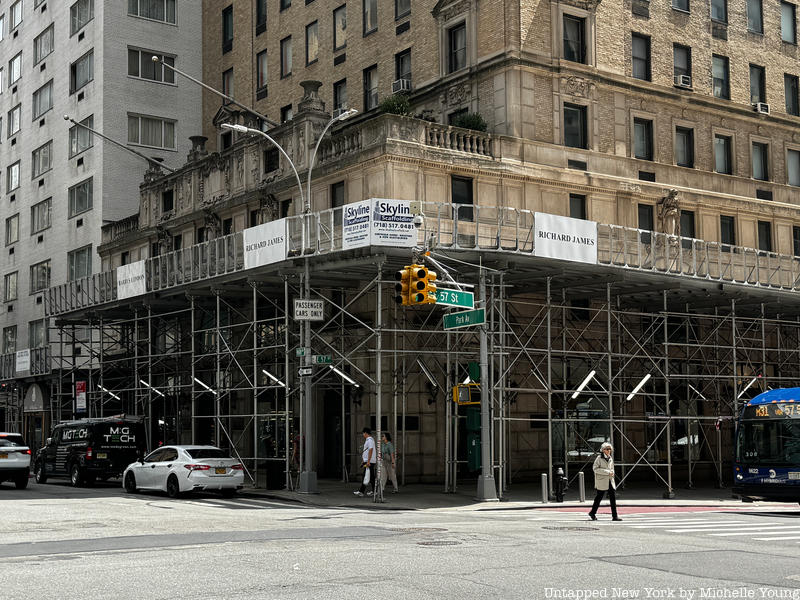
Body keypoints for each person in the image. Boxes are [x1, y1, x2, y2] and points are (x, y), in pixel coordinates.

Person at [588, 442, 622, 521]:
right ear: (603, 450)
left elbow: (612, 468)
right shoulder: (599, 458)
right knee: (599, 498)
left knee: (613, 498)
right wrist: (607, 472)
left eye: (610, 449)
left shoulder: (610, 458)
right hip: (602, 481)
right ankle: (592, 512)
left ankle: (615, 516)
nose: (609, 450)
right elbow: (595, 469)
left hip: (610, 480)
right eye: (607, 449)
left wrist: (612, 472)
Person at [354, 427, 376, 497]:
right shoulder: (369, 440)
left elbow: (370, 450)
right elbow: (367, 451)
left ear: (366, 433)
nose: (363, 434)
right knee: (371, 477)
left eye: (363, 433)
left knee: (365, 476)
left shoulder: (369, 440)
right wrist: (363, 461)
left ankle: (361, 491)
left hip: (369, 461)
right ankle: (374, 491)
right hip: (369, 461)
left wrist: (368, 461)